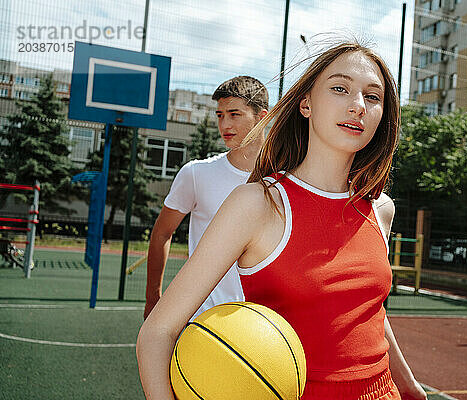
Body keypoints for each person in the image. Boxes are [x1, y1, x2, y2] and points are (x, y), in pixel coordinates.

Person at [137, 42, 427, 400]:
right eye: (340, 88)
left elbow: (370, 313)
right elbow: (157, 333)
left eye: (372, 96)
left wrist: (409, 384)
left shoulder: (381, 208)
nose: (358, 105)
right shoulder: (257, 203)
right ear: (306, 104)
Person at [143, 76, 269, 320]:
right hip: (202, 320)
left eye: (234, 114)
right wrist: (153, 298)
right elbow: (162, 233)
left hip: (261, 324)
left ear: (261, 117)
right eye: (220, 115)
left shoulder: (285, 179)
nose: (224, 125)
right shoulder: (197, 174)